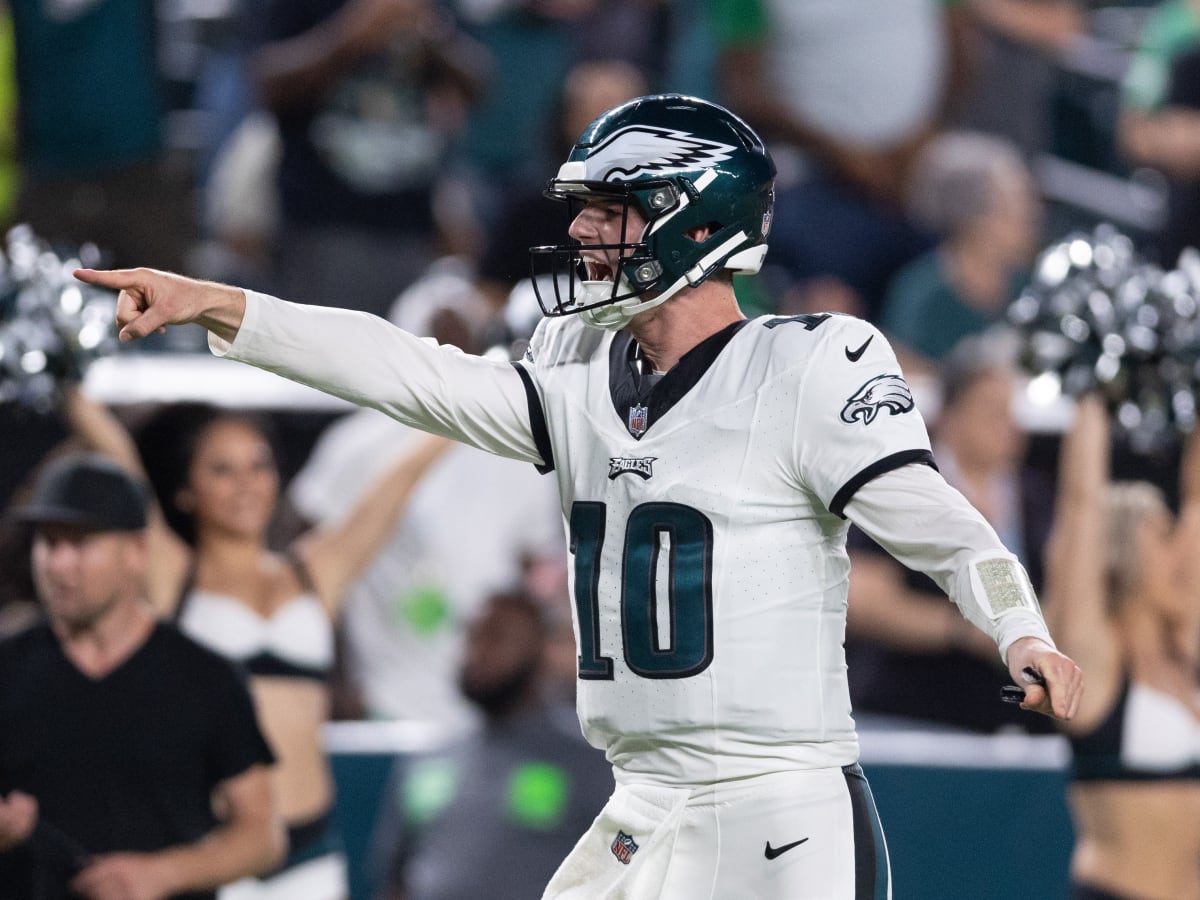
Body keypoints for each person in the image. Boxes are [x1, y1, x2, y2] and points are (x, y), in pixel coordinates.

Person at [75, 93, 1082, 899]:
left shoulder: (808, 363)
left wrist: (1019, 627)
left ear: (698, 218)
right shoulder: (578, 367)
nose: (587, 232)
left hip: (781, 807)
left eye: (613, 208)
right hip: (643, 799)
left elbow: (928, 514)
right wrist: (225, 305)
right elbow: (406, 369)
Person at [59, 388, 453, 899]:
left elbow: (396, 482)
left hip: (312, 849)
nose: (246, 485)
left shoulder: (315, 572)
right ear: (185, 491)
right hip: (217, 856)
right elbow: (121, 460)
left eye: (258, 466)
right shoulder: (173, 576)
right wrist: (70, 390)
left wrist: (489, 392)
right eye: (222, 470)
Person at [0, 452, 283, 900]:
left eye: (81, 542)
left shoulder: (204, 677)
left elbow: (262, 836)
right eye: (49, 542)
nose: (59, 564)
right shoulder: (8, 668)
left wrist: (162, 873)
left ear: (136, 553)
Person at [845, 336, 1058, 734]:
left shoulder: (1035, 499)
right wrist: (964, 631)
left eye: (1013, 414)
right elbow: (861, 599)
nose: (1009, 427)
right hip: (909, 710)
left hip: (1012, 718)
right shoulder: (899, 486)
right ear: (950, 414)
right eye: (993, 413)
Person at [1043, 394, 1200, 900]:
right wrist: (1094, 392)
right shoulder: (1095, 663)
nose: (1183, 551)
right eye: (1164, 536)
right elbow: (1081, 502)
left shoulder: (1185, 655)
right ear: (1122, 558)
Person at [370, 588, 613, 900]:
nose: (478, 652)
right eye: (473, 637)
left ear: (540, 652)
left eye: (497, 638)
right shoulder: (427, 761)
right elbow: (394, 880)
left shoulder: (589, 764)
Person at [877, 130, 1043, 380]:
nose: (1032, 220)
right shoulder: (919, 294)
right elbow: (898, 378)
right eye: (1015, 210)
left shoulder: (1031, 289)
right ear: (974, 220)